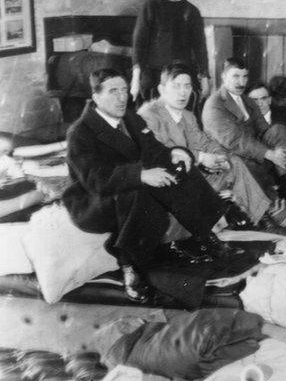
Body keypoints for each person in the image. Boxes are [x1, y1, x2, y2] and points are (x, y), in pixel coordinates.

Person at [63, 68, 232, 303]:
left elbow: (153, 150)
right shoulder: (80, 132)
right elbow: (95, 180)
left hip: (125, 185)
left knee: (181, 168)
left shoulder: (131, 118)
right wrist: (141, 175)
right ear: (96, 96)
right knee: (139, 192)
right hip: (93, 201)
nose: (122, 97)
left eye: (124, 90)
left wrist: (174, 153)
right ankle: (129, 265)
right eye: (113, 92)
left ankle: (203, 232)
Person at [138, 63, 280, 231]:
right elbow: (163, 152)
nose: (183, 92)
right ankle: (231, 215)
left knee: (233, 162)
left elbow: (204, 142)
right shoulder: (149, 114)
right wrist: (203, 158)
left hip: (190, 174)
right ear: (162, 89)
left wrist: (221, 157)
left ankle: (261, 217)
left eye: (187, 86)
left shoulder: (187, 115)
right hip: (167, 181)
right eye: (176, 86)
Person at [202, 58, 286, 201]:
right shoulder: (214, 104)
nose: (241, 82)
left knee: (279, 130)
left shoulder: (247, 101)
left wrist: (285, 151)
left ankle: (285, 185)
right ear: (223, 76)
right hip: (230, 156)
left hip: (253, 152)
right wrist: (270, 154)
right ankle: (261, 191)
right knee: (261, 194)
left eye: (245, 76)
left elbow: (264, 129)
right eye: (236, 76)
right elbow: (235, 141)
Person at [131, 0, 210, 105]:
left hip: (182, 77)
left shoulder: (192, 11)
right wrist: (135, 80)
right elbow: (139, 45)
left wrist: (205, 79)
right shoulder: (150, 7)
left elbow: (200, 48)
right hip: (154, 77)